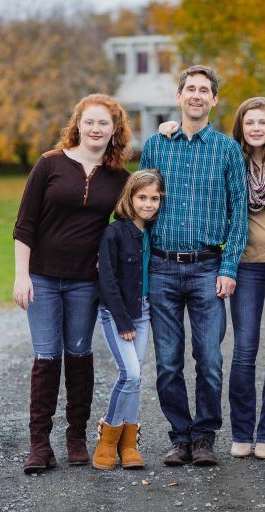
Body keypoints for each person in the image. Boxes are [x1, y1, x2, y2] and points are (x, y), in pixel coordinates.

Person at [159, 97, 265, 460]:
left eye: (262, 123)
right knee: (244, 351)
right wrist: (170, 128)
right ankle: (240, 431)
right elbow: (233, 207)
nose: (256, 129)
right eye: (249, 122)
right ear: (241, 126)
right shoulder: (228, 157)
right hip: (246, 266)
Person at [12, 94, 131, 474]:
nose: (95, 129)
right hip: (43, 279)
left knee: (79, 356)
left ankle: (76, 438)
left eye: (104, 124)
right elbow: (25, 223)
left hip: (85, 282)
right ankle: (39, 446)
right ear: (77, 124)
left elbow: (131, 224)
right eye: (89, 122)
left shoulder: (118, 177)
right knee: (46, 358)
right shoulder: (50, 165)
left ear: (115, 130)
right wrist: (21, 274)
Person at [139, 65, 248, 467]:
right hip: (163, 268)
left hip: (207, 267)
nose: (197, 95)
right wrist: (142, 269)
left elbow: (241, 214)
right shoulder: (156, 145)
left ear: (214, 100)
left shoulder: (226, 150)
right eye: (190, 89)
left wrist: (229, 267)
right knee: (168, 361)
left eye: (205, 90)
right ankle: (179, 437)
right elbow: (140, 206)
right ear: (179, 96)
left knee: (209, 359)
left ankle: (204, 436)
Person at [92, 169, 164, 471]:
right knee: (130, 374)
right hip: (117, 314)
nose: (148, 204)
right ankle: (107, 437)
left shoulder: (153, 232)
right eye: (142, 197)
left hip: (144, 311)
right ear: (130, 198)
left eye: (155, 198)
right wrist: (123, 321)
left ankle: (130, 443)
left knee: (136, 378)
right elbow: (106, 280)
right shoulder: (114, 233)